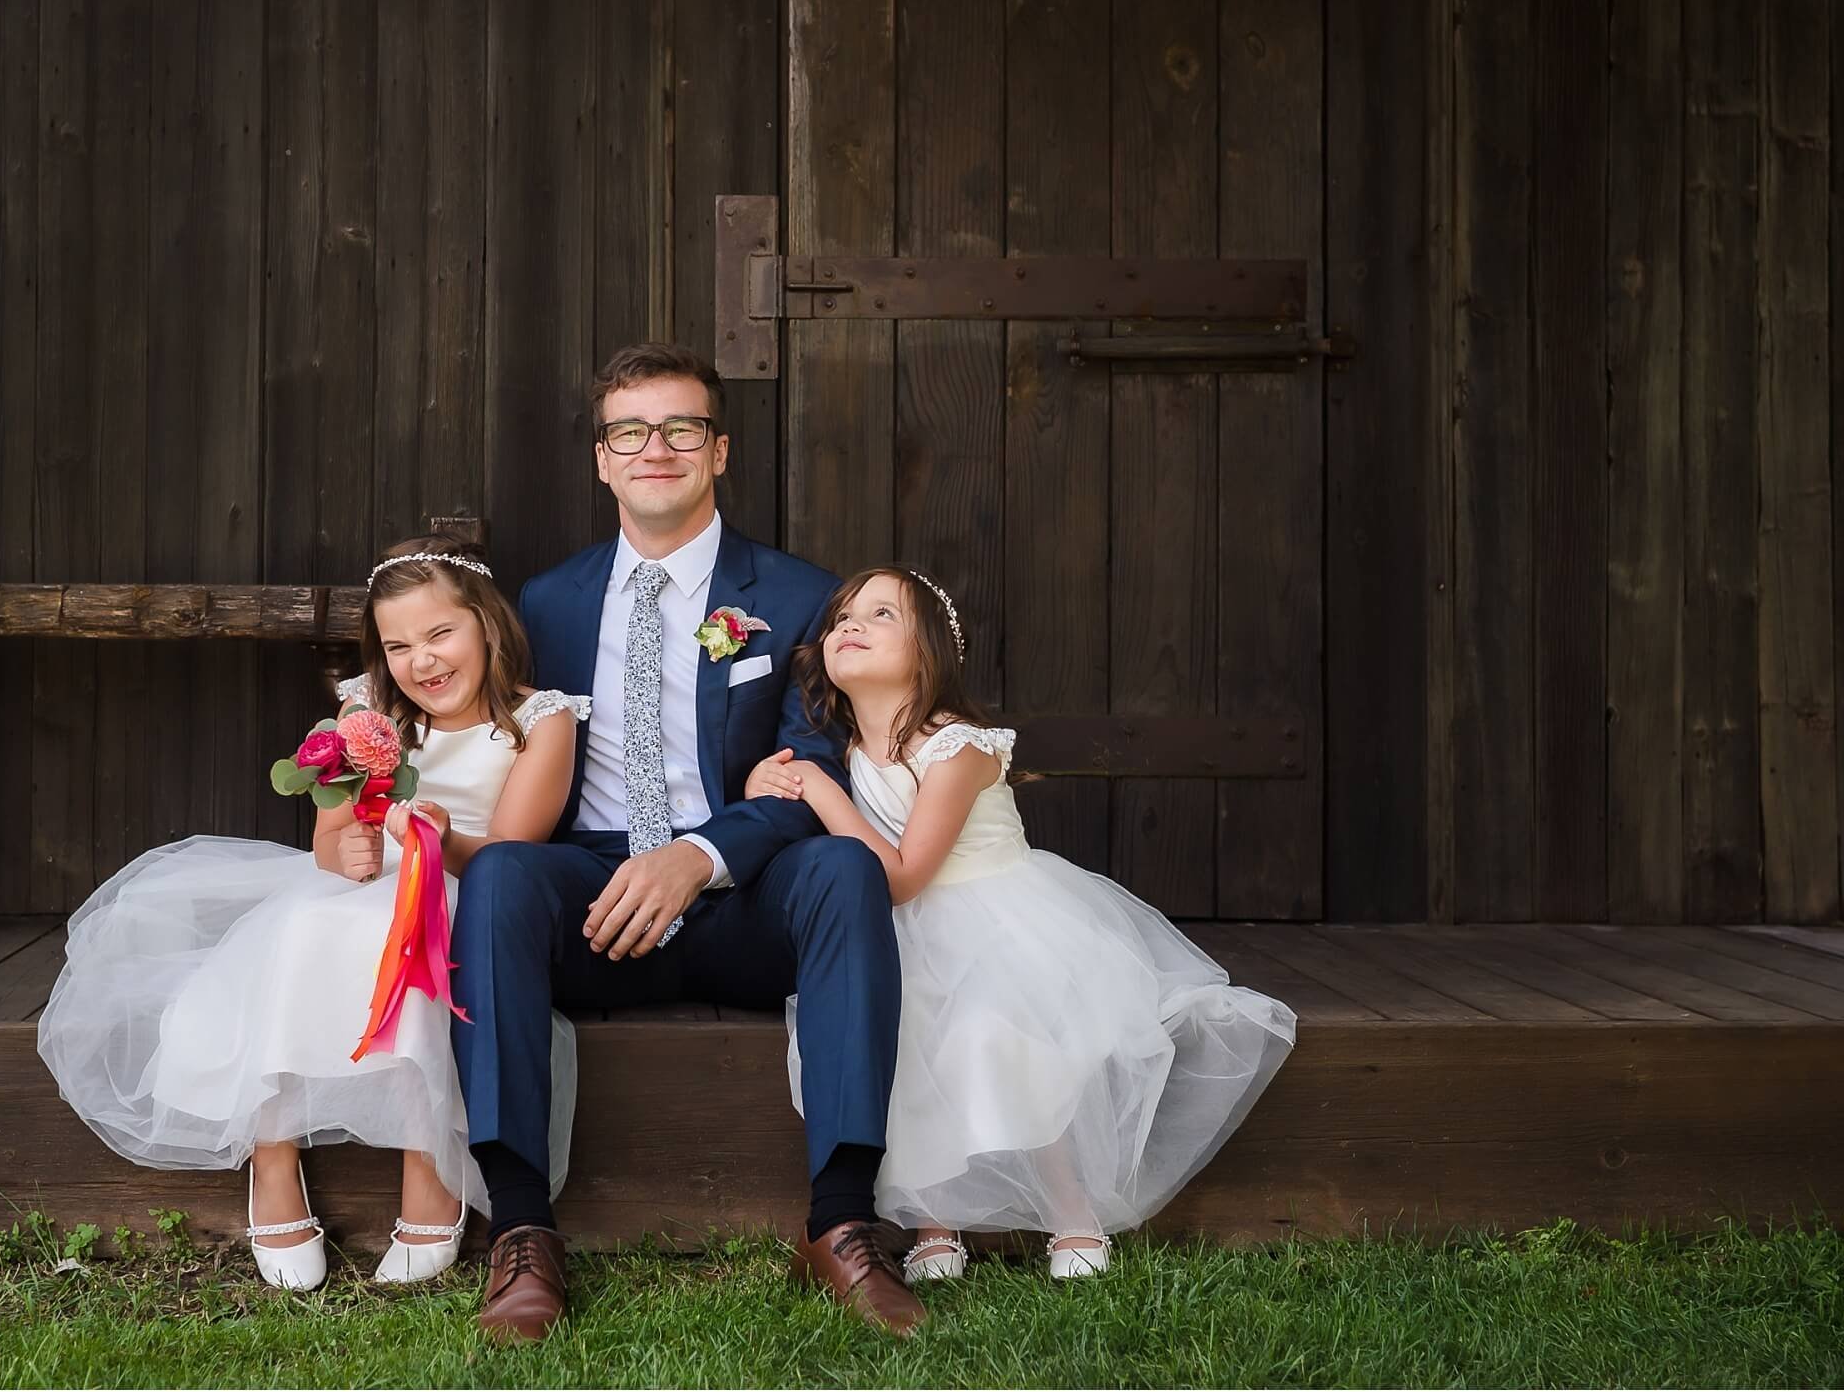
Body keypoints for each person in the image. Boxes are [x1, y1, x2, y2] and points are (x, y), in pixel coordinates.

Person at [453, 342, 926, 1342]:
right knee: (497, 876)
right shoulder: (543, 604)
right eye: (630, 431)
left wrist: (701, 853)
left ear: (719, 451)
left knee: (842, 865)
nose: (653, 448)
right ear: (601, 459)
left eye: (679, 429)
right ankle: (522, 1230)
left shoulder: (799, 596)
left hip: (741, 890)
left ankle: (840, 1221)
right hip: (592, 895)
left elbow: (820, 767)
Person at [36, 535, 588, 1290]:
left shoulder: (541, 720)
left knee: (417, 934)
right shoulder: (370, 712)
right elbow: (329, 838)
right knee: (308, 922)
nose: (421, 661)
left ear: (488, 625)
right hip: (365, 882)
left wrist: (436, 835)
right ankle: (274, 1151)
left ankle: (426, 1162)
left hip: (470, 884)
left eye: (439, 634)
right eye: (397, 645)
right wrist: (347, 852)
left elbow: (513, 857)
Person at [746, 568, 1297, 1283]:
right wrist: (773, 780)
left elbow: (907, 871)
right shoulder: (850, 749)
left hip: (995, 918)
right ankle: (934, 1224)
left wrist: (817, 791)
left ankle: (1072, 1213)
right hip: (908, 931)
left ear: (929, 651)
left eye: (881, 613)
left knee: (1009, 1047)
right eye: (844, 614)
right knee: (908, 1054)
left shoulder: (958, 745)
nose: (850, 623)